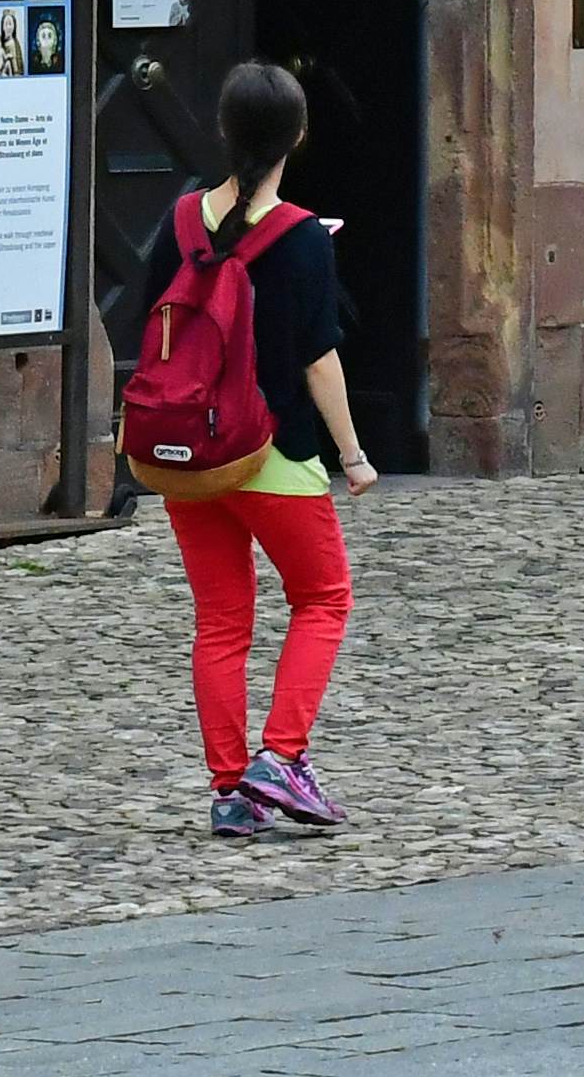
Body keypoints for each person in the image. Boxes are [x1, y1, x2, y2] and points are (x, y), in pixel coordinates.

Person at [103, 61, 379, 835]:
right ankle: (281, 759)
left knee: (222, 620)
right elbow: (318, 357)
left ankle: (230, 790)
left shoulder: (184, 218)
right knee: (323, 599)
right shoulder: (302, 241)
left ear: (224, 132)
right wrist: (353, 455)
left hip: (189, 454)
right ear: (298, 135)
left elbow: (155, 318)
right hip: (271, 452)